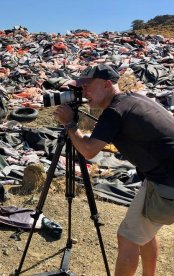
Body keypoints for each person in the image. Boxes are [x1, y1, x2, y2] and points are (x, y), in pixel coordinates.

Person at [53, 64, 174, 276]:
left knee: (127, 238)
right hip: (161, 175)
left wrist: (70, 124)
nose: (85, 93)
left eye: (89, 87)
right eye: (82, 89)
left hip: (167, 182)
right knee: (144, 232)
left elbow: (88, 151)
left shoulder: (114, 112)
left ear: (108, 84)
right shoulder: (134, 98)